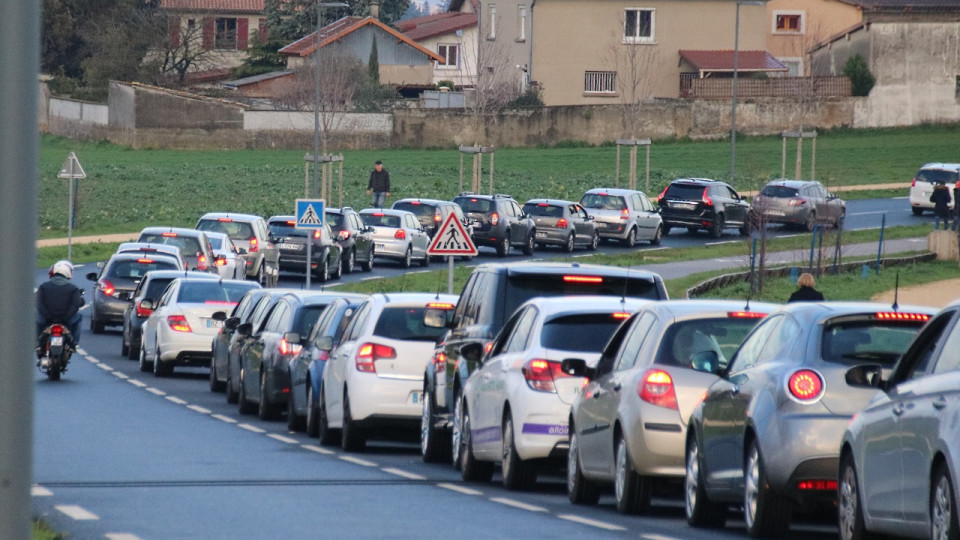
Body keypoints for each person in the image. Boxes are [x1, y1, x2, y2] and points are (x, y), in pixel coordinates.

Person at [36, 260, 85, 353]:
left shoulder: (43, 286)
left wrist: (47, 316)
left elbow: (39, 303)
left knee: (35, 318)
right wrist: (66, 317)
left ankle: (37, 343)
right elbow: (75, 305)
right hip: (65, 320)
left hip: (47, 320)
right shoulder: (73, 288)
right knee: (79, 317)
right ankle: (74, 343)